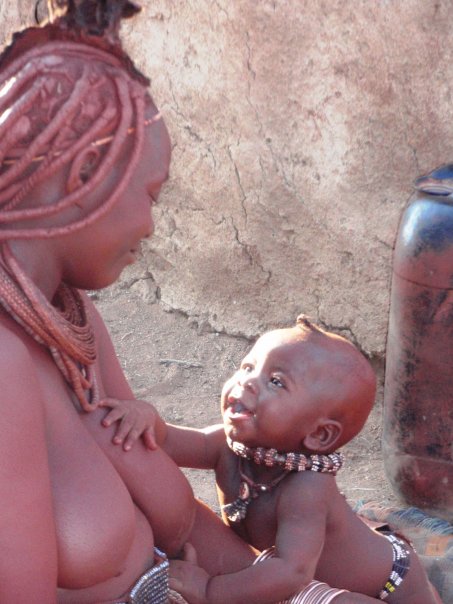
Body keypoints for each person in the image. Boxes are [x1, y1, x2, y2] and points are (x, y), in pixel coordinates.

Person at [0, 1, 387, 602]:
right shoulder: (5, 366)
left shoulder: (69, 318)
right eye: (151, 195)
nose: (150, 226)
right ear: (85, 176)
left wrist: (305, 595)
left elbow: (181, 525)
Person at [101, 317, 442, 604]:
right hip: (307, 573)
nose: (247, 382)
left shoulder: (307, 488)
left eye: (276, 382)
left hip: (392, 583)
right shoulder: (227, 444)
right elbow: (165, 442)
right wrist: (147, 419)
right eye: (247, 367)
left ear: (319, 435)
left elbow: (291, 572)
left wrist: (210, 590)